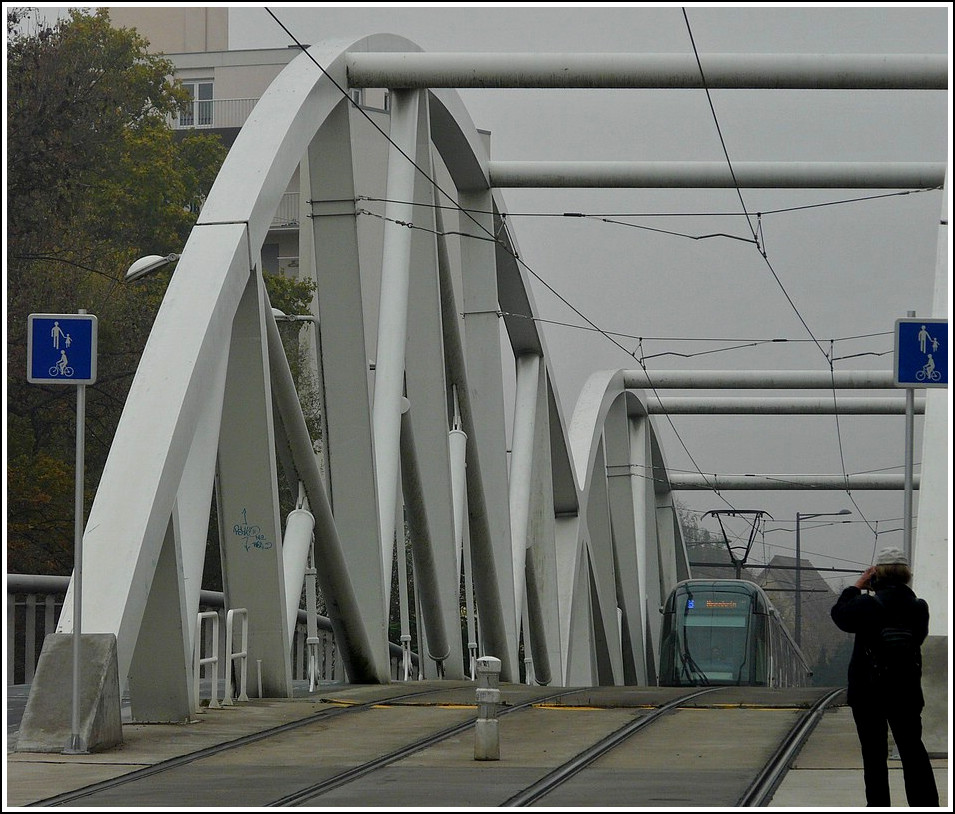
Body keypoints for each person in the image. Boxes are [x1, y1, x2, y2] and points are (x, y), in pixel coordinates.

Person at [830, 546, 939, 807]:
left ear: (877, 575)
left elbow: (839, 615)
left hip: (869, 692)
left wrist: (857, 585)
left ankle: (879, 805)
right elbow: (918, 639)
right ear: (906, 575)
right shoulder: (919, 608)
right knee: (913, 751)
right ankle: (924, 804)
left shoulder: (866, 605)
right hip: (906, 691)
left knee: (874, 756)